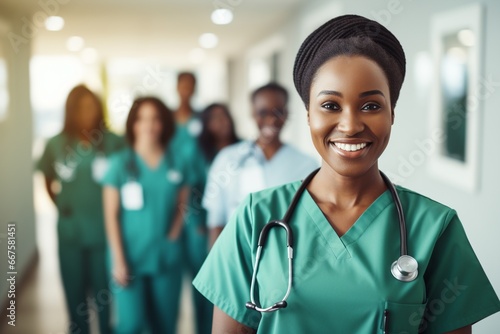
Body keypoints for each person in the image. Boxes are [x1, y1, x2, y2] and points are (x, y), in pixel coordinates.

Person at [193, 15, 500, 333]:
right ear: (309, 114)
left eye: (370, 106)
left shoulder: (435, 227)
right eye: (330, 105)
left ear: (392, 113)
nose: (351, 126)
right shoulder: (255, 216)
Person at [36, 84, 124, 334]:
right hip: (71, 231)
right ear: (70, 111)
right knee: (75, 297)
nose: (86, 111)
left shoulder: (113, 141)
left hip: (104, 231)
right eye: (80, 107)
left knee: (105, 296)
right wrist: (62, 205)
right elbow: (46, 176)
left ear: (99, 108)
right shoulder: (56, 143)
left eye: (91, 105)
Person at [101, 97, 189, 333]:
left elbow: (184, 203)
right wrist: (118, 258)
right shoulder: (119, 164)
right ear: (133, 124)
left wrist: (173, 235)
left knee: (165, 323)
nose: (149, 125)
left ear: (164, 124)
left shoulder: (177, 162)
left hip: (165, 254)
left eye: (155, 119)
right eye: (142, 119)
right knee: (131, 324)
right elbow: (111, 215)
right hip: (129, 255)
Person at [202, 82, 319, 247]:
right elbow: (216, 221)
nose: (271, 119)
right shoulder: (228, 159)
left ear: (286, 113)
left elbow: (312, 224)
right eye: (263, 112)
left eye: (278, 112)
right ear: (252, 113)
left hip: (287, 258)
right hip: (236, 253)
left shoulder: (306, 165)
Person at [169, 71, 213, 334]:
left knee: (201, 278)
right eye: (182, 85)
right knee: (169, 283)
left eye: (191, 85)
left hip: (195, 209)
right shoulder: (166, 120)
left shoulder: (202, 120)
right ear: (176, 87)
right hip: (168, 205)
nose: (186, 89)